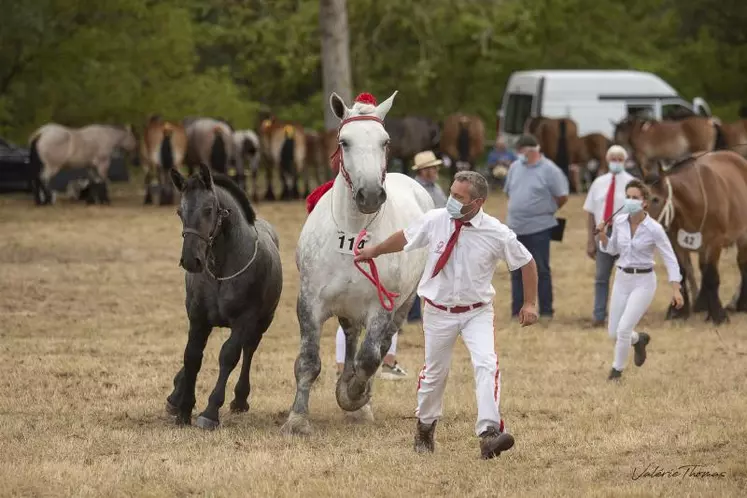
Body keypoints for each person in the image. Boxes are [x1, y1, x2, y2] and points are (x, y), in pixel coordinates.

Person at [353, 170, 539, 459]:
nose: (451, 200)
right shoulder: (436, 219)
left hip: (477, 311)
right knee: (434, 374)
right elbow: (406, 237)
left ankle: (489, 433)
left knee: (486, 365)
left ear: (477, 203)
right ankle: (425, 427)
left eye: (459, 197)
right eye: (451, 193)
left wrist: (529, 303)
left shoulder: (496, 231)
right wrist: (374, 251)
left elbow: (527, 262)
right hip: (438, 311)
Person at [596, 179, 684, 381]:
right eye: (628, 196)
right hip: (622, 279)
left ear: (644, 202)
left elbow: (670, 258)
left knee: (624, 328)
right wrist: (602, 236)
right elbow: (613, 250)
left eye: (635, 198)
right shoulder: (618, 221)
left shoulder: (654, 229)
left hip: (643, 282)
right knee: (614, 333)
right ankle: (639, 340)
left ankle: (616, 372)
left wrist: (676, 288)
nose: (630, 200)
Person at [503, 134, 569, 319]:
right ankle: (517, 310)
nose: (518, 155)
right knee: (516, 270)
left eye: (520, 151)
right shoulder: (515, 167)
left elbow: (562, 196)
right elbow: (509, 192)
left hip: (539, 228)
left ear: (531, 150)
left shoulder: (550, 170)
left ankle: (546, 310)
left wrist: (547, 209)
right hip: (515, 227)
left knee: (541, 269)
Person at [583, 145, 636, 327]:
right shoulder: (598, 183)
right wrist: (591, 240)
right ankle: (599, 316)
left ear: (625, 160)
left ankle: (624, 316)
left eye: (620, 158)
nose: (616, 162)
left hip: (625, 234)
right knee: (601, 276)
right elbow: (590, 212)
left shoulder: (632, 183)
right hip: (603, 233)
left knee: (626, 276)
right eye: (613, 158)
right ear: (607, 160)